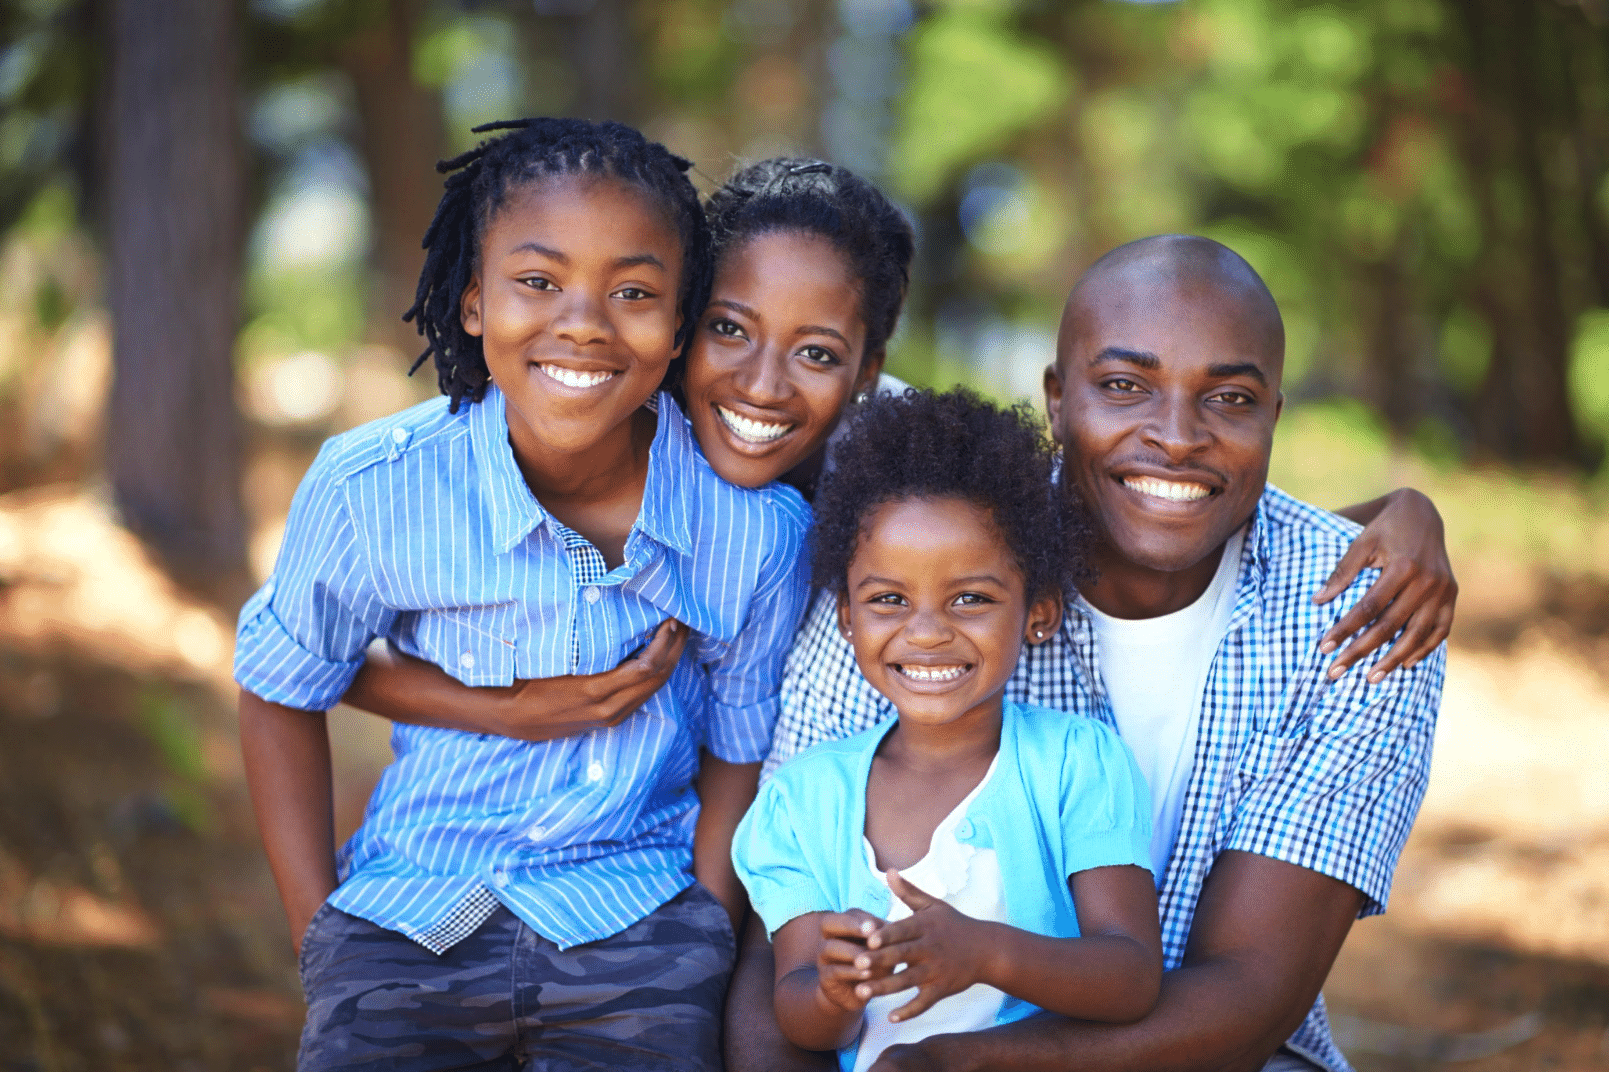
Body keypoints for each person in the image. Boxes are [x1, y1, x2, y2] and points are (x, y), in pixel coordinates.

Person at [338, 158, 1454, 750]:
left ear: (868, 367)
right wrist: (516, 708)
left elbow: (1138, 485)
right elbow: (319, 650)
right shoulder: (596, 436)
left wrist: (1387, 511)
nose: (763, 386)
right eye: (724, 330)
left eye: (817, 351)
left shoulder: (895, 446)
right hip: (609, 836)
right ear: (674, 323)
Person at [748, 235, 1445, 1072]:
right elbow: (778, 957)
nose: (1177, 437)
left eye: (1228, 398)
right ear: (1055, 399)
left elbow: (1251, 996)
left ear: (1272, 419)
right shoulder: (913, 563)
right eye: (1123, 386)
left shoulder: (1365, 614)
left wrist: (961, 1065)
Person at [232, 118, 812, 1072]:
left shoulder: (752, 533)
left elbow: (738, 749)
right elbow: (280, 685)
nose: (582, 321)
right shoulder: (371, 488)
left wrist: (703, 929)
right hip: (412, 906)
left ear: (677, 327)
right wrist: (316, 930)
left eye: (632, 293)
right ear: (471, 301)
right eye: (537, 282)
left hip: (636, 914)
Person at [732, 388, 1163, 1072]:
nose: (927, 631)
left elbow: (1132, 976)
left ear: (1038, 613)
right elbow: (801, 1017)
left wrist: (986, 952)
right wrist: (835, 992)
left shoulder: (1077, 764)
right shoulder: (800, 800)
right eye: (888, 600)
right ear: (846, 617)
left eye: (969, 598)